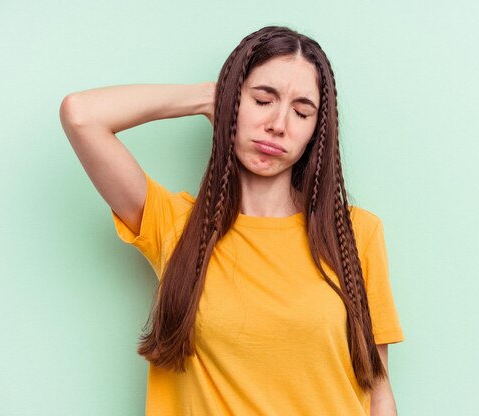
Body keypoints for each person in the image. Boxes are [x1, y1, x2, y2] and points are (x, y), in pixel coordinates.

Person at [60, 25, 405, 416]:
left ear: (316, 131)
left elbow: (378, 390)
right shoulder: (176, 225)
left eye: (301, 111)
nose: (279, 123)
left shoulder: (355, 233)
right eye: (262, 99)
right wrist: (210, 96)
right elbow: (81, 115)